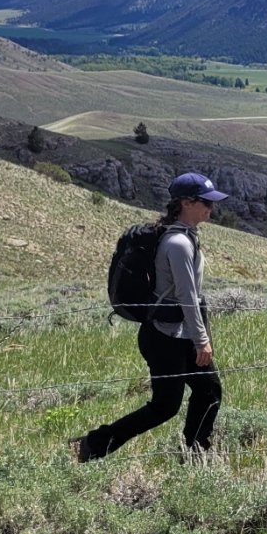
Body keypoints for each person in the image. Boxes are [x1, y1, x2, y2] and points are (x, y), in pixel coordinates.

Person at [74, 173, 227, 460]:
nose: (211, 207)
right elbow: (187, 296)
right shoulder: (179, 243)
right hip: (164, 337)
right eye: (205, 201)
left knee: (208, 391)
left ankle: (196, 455)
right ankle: (93, 445)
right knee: (164, 407)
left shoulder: (183, 236)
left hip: (177, 333)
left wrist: (196, 338)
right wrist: (202, 340)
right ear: (186, 202)